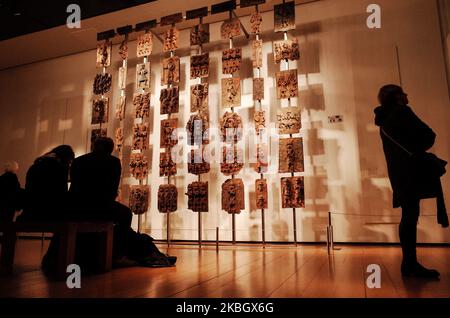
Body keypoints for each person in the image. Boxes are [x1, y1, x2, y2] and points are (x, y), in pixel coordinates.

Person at [374, 84, 448, 278]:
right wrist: (418, 147)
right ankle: (409, 264)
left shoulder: (383, 120)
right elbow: (428, 135)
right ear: (397, 97)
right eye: (403, 93)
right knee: (410, 216)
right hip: (412, 171)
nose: (407, 95)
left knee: (408, 215)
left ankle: (409, 262)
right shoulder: (402, 112)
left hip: (398, 174)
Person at [69, 137, 176, 270]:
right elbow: (112, 189)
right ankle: (119, 252)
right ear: (110, 149)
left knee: (122, 214)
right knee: (126, 214)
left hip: (77, 204)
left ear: (94, 146)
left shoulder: (79, 161)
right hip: (99, 205)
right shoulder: (112, 161)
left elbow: (73, 186)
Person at [19, 145, 74, 222]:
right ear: (66, 159)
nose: (69, 165)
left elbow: (29, 190)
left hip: (30, 213)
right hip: (51, 214)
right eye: (69, 162)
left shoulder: (35, 165)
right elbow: (61, 194)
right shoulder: (59, 168)